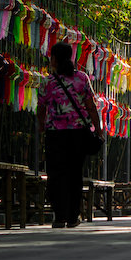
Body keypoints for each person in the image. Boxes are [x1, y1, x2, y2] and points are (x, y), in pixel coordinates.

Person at [37, 41, 102, 228]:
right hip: (77, 134)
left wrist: (41, 127)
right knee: (75, 175)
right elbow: (90, 107)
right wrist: (98, 130)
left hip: (55, 135)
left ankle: (59, 216)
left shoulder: (48, 82)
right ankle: (73, 216)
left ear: (54, 59)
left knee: (56, 174)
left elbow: (41, 108)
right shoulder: (81, 78)